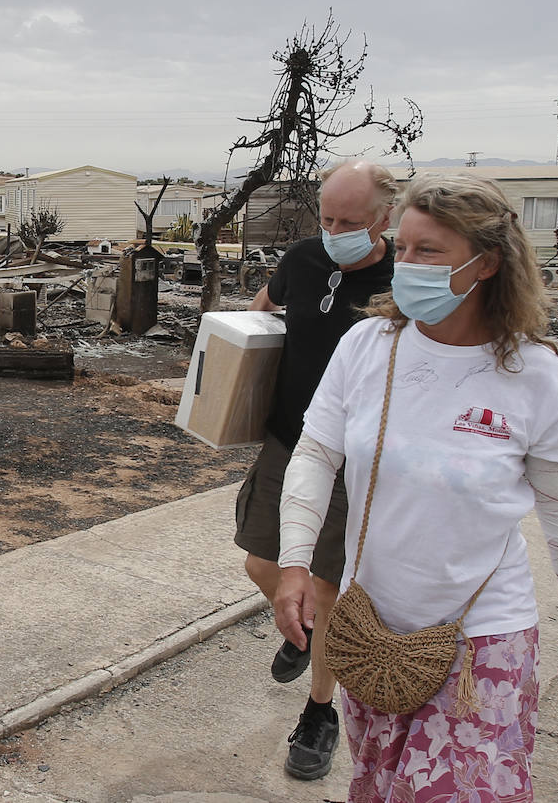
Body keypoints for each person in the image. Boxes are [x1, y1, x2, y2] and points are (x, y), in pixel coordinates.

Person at [273, 173, 558, 802]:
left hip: (483, 640)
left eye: (430, 251)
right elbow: (316, 454)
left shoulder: (534, 377)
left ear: (487, 263)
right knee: (378, 787)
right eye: (403, 248)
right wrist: (294, 564)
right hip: (370, 629)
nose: (407, 265)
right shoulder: (368, 345)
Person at [238, 159, 397, 780]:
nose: (335, 230)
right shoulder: (304, 258)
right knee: (260, 561)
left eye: (349, 221)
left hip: (351, 456)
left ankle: (320, 713)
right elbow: (263, 310)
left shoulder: (400, 275)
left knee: (326, 587)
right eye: (327, 217)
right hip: (287, 439)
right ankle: (301, 626)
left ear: (383, 218)